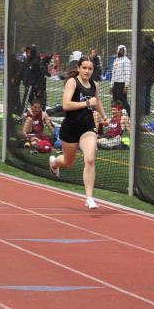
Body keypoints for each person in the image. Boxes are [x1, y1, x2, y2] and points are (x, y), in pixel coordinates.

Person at [48, 56, 108, 210]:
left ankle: (89, 198)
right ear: (79, 68)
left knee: (90, 159)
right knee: (68, 162)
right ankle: (54, 163)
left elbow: (97, 101)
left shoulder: (94, 85)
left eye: (90, 68)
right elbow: (66, 105)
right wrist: (86, 103)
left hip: (87, 127)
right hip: (70, 128)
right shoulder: (72, 82)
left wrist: (104, 116)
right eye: (84, 68)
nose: (87, 71)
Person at [110, 44, 131, 111]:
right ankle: (117, 116)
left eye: (122, 50)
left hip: (122, 84)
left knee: (123, 102)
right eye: (120, 50)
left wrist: (126, 86)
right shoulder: (116, 60)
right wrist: (111, 85)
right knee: (115, 101)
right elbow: (113, 73)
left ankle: (130, 114)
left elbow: (127, 74)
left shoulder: (126, 60)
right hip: (115, 84)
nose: (120, 52)